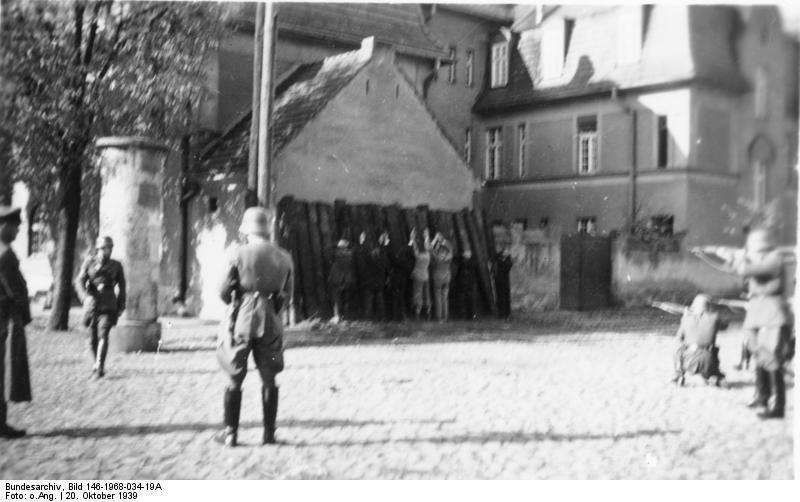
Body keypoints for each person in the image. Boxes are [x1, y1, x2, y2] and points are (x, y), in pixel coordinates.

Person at [694, 227, 792, 419]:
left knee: (770, 356)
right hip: (757, 308)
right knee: (756, 350)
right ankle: (761, 396)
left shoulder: (774, 260)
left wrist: (731, 255)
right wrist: (707, 256)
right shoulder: (757, 259)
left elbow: (744, 268)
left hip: (772, 309)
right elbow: (728, 268)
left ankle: (778, 405)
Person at [217, 206, 293, 447]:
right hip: (270, 317)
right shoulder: (284, 257)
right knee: (269, 378)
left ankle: (230, 434)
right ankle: (269, 434)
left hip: (243, 316)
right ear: (267, 229)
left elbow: (224, 291)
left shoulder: (237, 253)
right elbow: (288, 294)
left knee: (234, 376)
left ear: (247, 230)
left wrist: (235, 303)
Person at [75, 236, 126, 379]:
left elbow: (122, 287)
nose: (107, 251)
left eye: (109, 248)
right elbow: (79, 281)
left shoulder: (116, 266)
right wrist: (85, 297)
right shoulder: (89, 262)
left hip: (109, 304)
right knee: (92, 339)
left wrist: (121, 304)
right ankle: (95, 364)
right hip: (92, 304)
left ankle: (99, 367)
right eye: (104, 248)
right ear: (98, 249)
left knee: (103, 334)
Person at [0, 206, 31, 439]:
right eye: (15, 225)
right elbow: (16, 292)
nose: (18, 230)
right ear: (3, 225)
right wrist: (22, 314)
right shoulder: (5, 255)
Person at [669, 295, 727, 386]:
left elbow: (679, 338)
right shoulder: (715, 317)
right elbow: (724, 326)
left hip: (688, 361)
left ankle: (678, 375)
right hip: (708, 360)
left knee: (677, 347)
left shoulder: (686, 319)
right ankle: (714, 377)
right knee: (714, 350)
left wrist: (684, 317)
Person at [355, 231, 388, 321]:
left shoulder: (370, 260)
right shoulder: (382, 260)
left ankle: (367, 318)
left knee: (369, 302)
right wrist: (384, 243)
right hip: (379, 283)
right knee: (380, 301)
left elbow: (363, 253)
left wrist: (362, 242)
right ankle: (382, 318)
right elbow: (384, 252)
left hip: (370, 283)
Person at [387, 234, 415, 322]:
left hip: (397, 279)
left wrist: (387, 245)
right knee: (402, 297)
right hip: (404, 280)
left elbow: (394, 260)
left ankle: (396, 316)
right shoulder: (411, 261)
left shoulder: (403, 260)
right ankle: (402, 315)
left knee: (396, 298)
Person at [327, 238, 355, 323]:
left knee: (336, 298)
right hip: (347, 278)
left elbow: (327, 249)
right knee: (345, 298)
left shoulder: (337, 254)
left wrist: (335, 243)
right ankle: (345, 316)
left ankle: (337, 316)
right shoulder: (350, 254)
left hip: (336, 278)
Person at [430, 233, 454, 322]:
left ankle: (439, 317)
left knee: (438, 298)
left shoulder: (437, 257)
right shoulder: (449, 257)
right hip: (447, 277)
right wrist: (443, 240)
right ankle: (445, 317)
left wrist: (436, 239)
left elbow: (430, 248)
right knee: (445, 298)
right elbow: (451, 249)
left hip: (438, 278)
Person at [409, 228, 432, 321]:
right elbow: (428, 246)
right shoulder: (428, 256)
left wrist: (412, 238)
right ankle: (428, 313)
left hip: (418, 275)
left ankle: (417, 314)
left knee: (418, 294)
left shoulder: (418, 256)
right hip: (425, 275)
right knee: (427, 294)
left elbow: (414, 247)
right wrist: (427, 236)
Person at [455, 249, 479, 320]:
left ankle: (467, 314)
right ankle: (470, 314)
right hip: (469, 283)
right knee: (469, 300)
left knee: (466, 300)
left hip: (466, 283)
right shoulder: (472, 262)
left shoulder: (464, 263)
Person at [494, 245, 513, 318]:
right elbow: (496, 256)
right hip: (499, 280)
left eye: (507, 252)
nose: (506, 253)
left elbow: (507, 267)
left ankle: (507, 313)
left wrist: (503, 259)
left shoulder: (508, 261)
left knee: (506, 297)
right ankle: (501, 313)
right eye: (505, 252)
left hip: (505, 280)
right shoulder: (499, 259)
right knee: (500, 297)